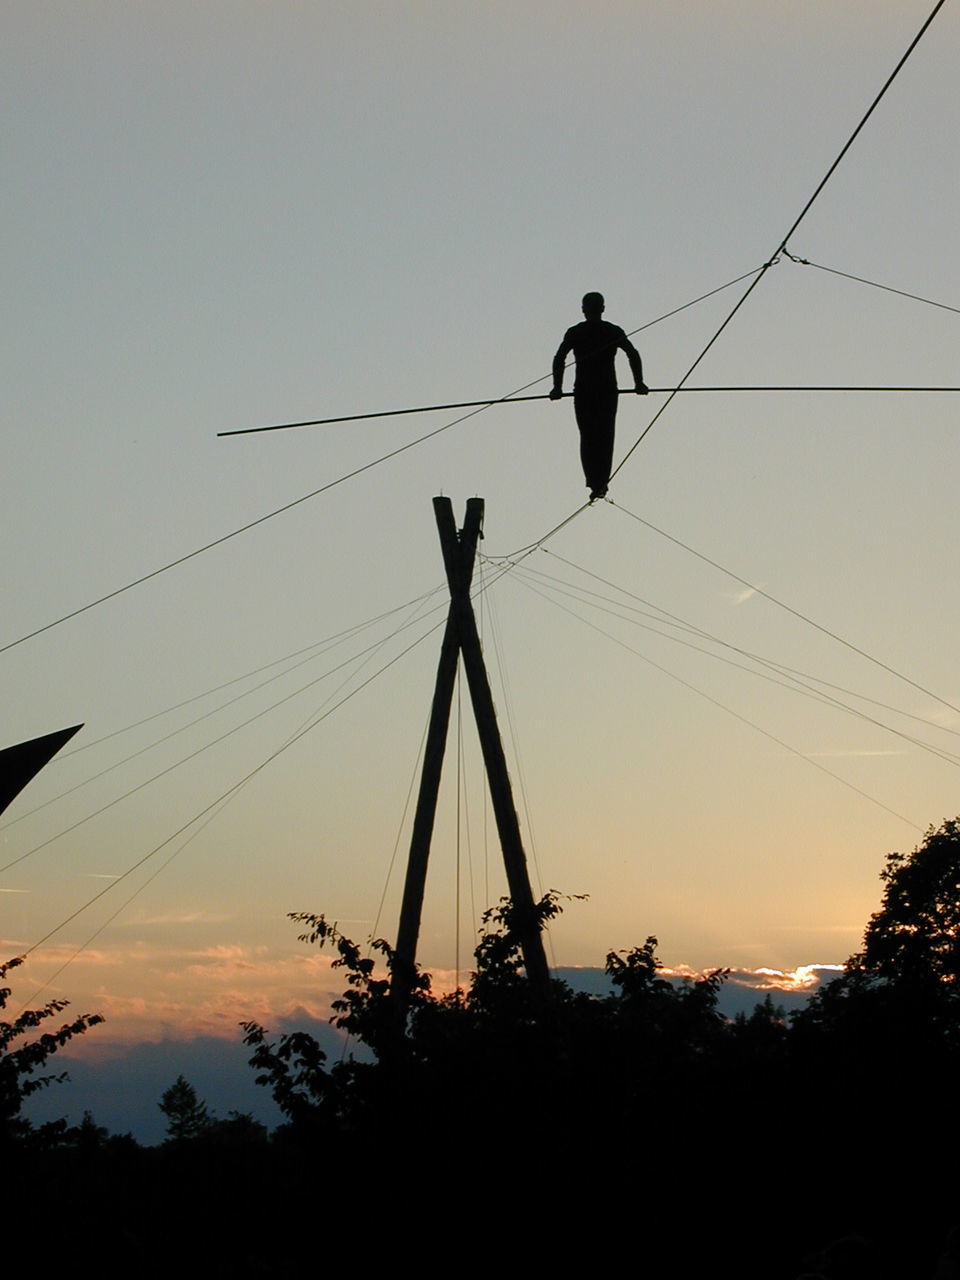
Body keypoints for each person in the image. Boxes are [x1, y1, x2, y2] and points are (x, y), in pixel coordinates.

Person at [550, 292, 648, 500]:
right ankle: (599, 482)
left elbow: (560, 358)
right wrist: (638, 382)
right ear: (602, 308)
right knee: (603, 435)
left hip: (589, 391)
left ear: (583, 309)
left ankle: (596, 482)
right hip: (603, 390)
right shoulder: (610, 330)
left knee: (589, 436)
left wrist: (557, 387)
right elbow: (632, 353)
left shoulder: (577, 332)